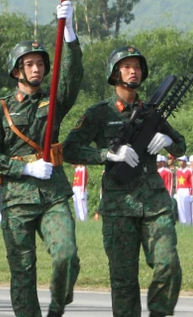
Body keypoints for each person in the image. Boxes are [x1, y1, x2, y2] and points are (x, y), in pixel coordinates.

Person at [0, 0, 83, 317]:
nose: (37, 68)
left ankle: (57, 306)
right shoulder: (0, 109)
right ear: (16, 70)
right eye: (30, 64)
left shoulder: (53, 101)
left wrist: (70, 36)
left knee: (66, 255)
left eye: (40, 63)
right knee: (23, 273)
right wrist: (24, 168)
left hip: (52, 195)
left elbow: (72, 76)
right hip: (17, 200)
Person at [63, 45, 185, 317]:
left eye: (138, 67)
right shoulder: (99, 113)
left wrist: (168, 141)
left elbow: (180, 146)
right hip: (118, 207)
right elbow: (70, 149)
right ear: (114, 73)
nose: (134, 71)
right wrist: (108, 154)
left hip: (155, 204)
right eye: (127, 66)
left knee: (169, 266)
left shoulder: (151, 111)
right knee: (124, 281)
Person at [171, 157, 192, 225]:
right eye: (179, 161)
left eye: (182, 161)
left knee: (186, 206)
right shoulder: (178, 171)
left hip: (186, 189)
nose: (180, 162)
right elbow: (177, 182)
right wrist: (176, 192)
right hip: (180, 189)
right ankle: (182, 221)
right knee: (180, 207)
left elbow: (192, 183)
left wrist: (191, 194)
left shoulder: (189, 171)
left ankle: (188, 222)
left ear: (185, 162)